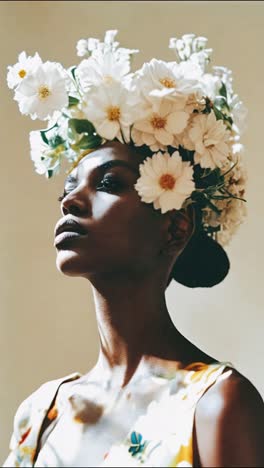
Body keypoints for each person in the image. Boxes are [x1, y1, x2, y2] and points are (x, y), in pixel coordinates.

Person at [4, 31, 264, 467]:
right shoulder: (40, 414)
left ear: (175, 228)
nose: (70, 201)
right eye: (67, 190)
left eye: (110, 183)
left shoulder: (216, 405)